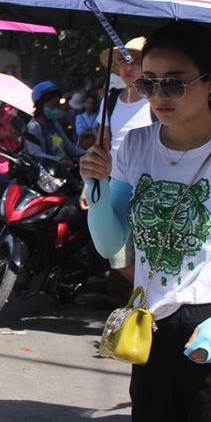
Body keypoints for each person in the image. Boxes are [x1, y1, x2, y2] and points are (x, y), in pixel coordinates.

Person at [80, 22, 211, 422]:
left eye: (174, 84)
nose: (159, 96)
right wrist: (97, 187)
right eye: (149, 83)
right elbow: (112, 244)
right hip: (151, 329)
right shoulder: (137, 144)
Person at [92, 37, 152, 295]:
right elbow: (102, 142)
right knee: (117, 257)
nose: (128, 67)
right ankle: (150, 291)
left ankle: (153, 295)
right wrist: (93, 183)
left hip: (149, 188)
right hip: (117, 184)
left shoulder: (156, 101)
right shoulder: (112, 99)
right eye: (123, 61)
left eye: (135, 61)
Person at [25, 81, 84, 166]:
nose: (56, 110)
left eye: (58, 106)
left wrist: (88, 154)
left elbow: (70, 148)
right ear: (40, 106)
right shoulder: (32, 128)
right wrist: (60, 160)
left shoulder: (55, 124)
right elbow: (36, 154)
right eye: (52, 107)